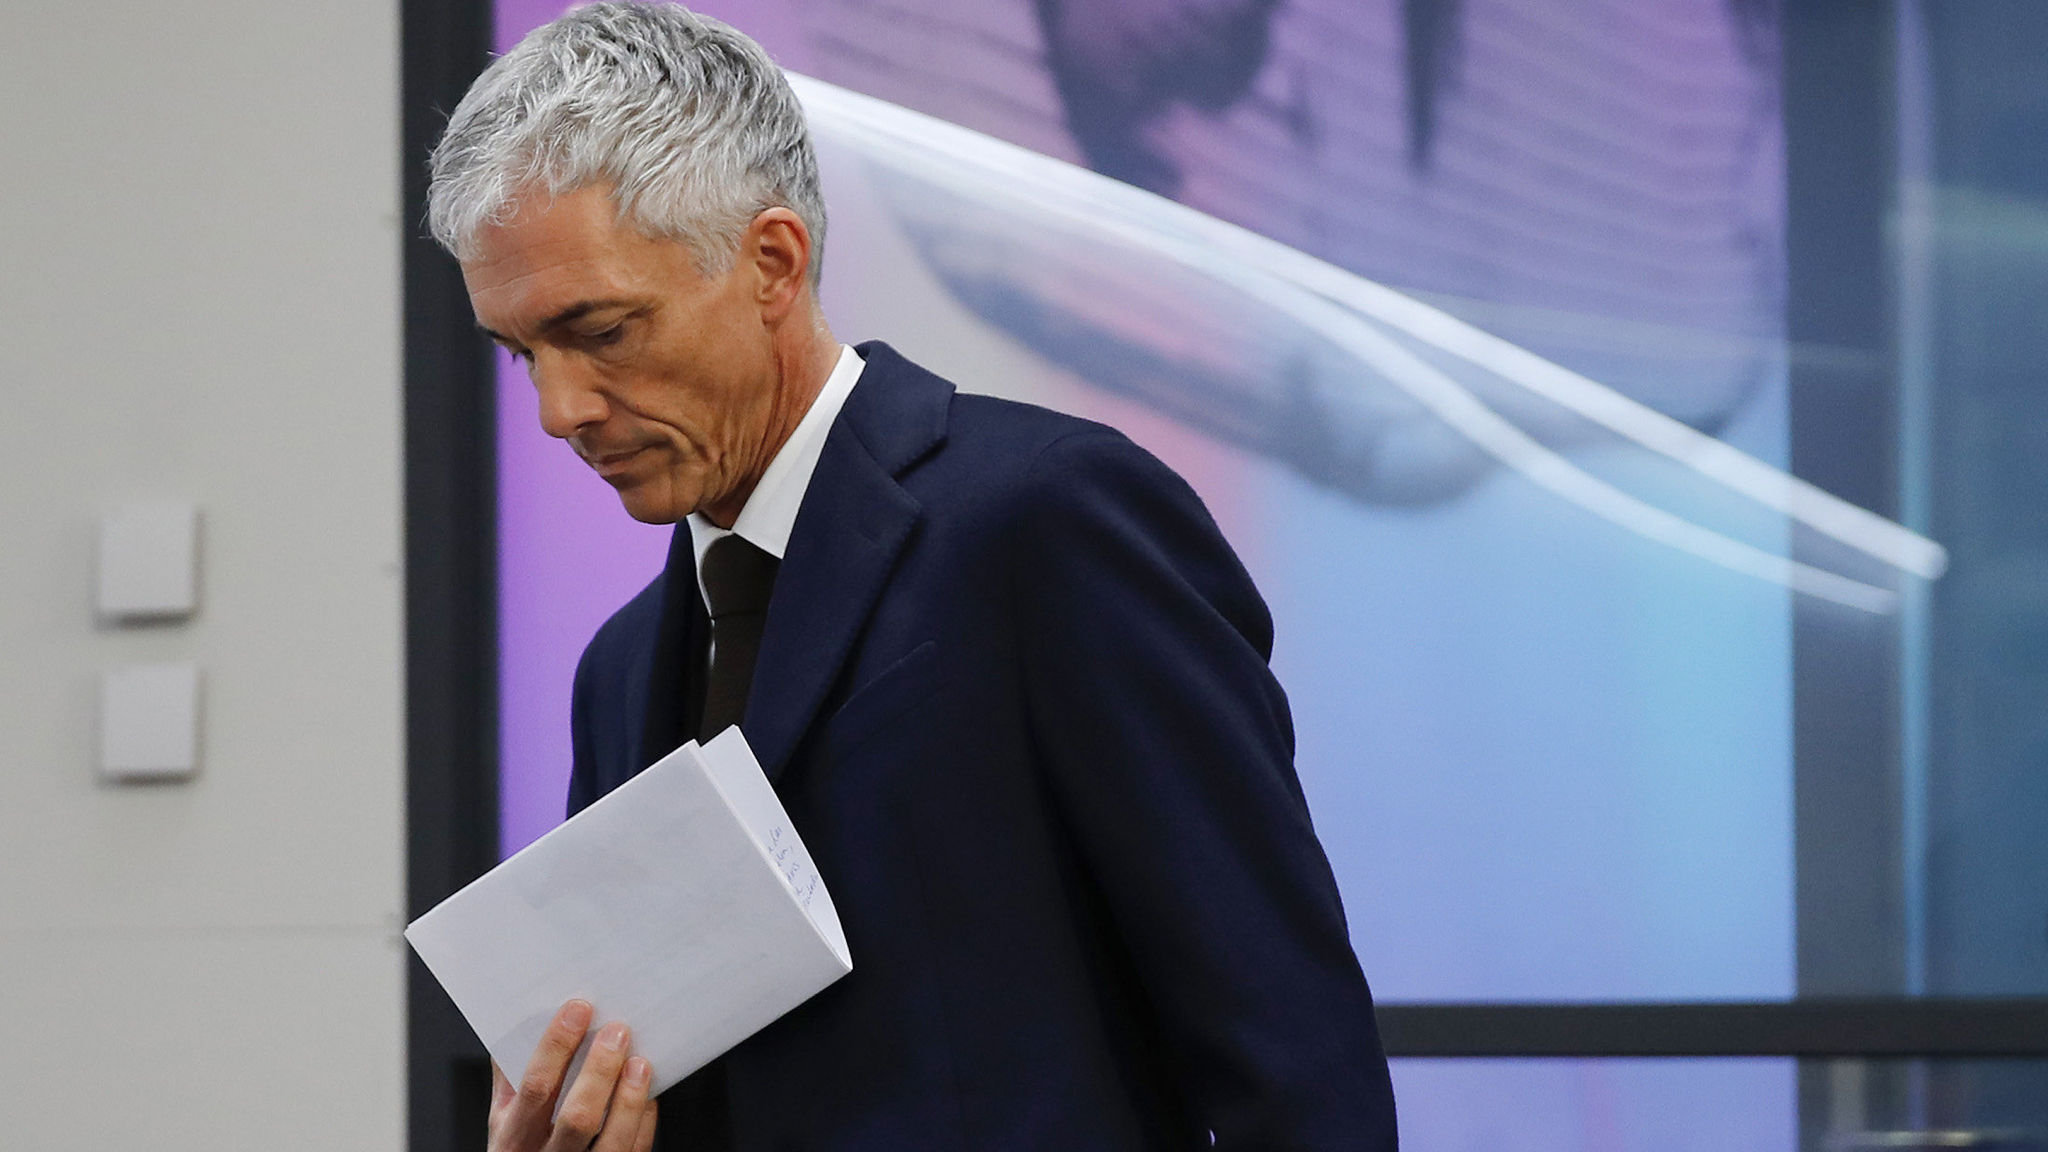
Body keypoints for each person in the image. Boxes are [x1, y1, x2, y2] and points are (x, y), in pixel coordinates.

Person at [428, 4, 1398, 1149]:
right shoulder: (622, 667)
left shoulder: (1049, 520)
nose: (558, 410)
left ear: (771, 263)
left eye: (600, 332)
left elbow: (1287, 1045)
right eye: (521, 353)